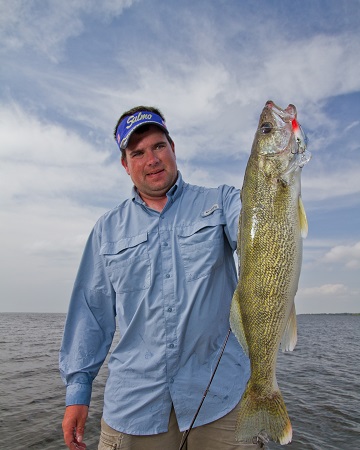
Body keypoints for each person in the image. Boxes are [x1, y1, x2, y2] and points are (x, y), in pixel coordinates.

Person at [60, 106, 262, 450]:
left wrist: (277, 170)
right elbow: (91, 314)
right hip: (134, 405)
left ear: (172, 148)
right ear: (126, 165)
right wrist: (78, 391)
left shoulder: (222, 201)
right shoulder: (106, 230)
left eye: (158, 146)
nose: (150, 158)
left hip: (222, 398)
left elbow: (263, 228)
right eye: (137, 152)